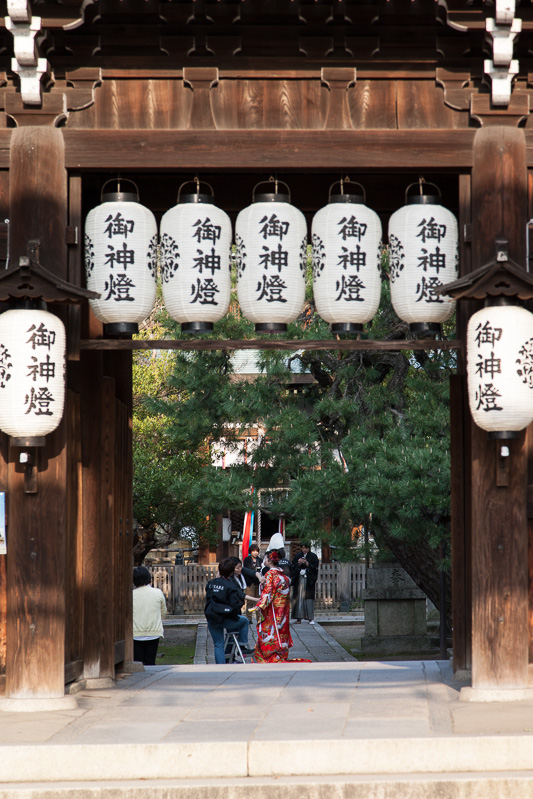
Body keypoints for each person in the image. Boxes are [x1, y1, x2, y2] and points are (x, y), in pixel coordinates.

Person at [205, 557, 255, 664]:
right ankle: (242, 645)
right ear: (231, 572)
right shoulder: (231, 585)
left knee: (218, 644)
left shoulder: (210, 583)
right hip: (226, 618)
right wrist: (234, 617)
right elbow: (235, 605)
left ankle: (221, 667)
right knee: (245, 621)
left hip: (212, 617)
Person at [132, 566, 167, 665]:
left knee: (138, 662)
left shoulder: (131, 595)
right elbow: (163, 611)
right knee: (151, 661)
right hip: (154, 632)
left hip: (136, 632)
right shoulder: (157, 593)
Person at [291, 542, 319, 624]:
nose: (304, 550)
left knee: (308, 599)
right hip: (299, 579)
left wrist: (307, 564)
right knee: (298, 598)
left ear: (309, 548)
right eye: (303, 548)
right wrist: (298, 564)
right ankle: (298, 618)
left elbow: (315, 568)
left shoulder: (313, 556)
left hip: (308, 579)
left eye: (306, 548)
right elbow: (293, 566)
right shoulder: (297, 555)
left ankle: (310, 618)